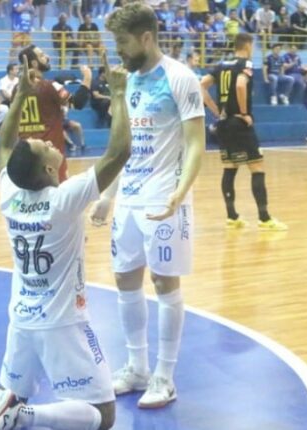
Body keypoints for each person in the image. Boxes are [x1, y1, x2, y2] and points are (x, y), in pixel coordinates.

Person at [0, 51, 130, 430]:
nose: (45, 141)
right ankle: (25, 418)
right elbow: (119, 153)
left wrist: (20, 95)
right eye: (43, 146)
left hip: (21, 317)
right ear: (51, 169)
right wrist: (118, 94)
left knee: (8, 392)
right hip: (63, 321)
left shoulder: (10, 193)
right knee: (103, 416)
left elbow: (5, 146)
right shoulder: (62, 200)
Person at [89, 2, 206, 409]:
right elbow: (124, 145)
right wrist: (107, 195)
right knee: (125, 280)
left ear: (146, 38)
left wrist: (181, 190)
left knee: (164, 282)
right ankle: (137, 367)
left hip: (164, 199)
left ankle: (164, 376)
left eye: (121, 42)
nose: (117, 50)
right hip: (129, 199)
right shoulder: (126, 82)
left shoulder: (180, 78)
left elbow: (195, 142)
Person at [201, 33, 288, 231]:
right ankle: (264, 218)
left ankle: (232, 217)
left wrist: (216, 111)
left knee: (230, 167)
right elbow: (241, 84)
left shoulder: (221, 65)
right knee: (257, 168)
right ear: (247, 45)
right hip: (239, 123)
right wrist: (243, 112)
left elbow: (201, 86)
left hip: (223, 124)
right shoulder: (245, 64)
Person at [16, 44, 92, 182]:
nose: (47, 57)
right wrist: (87, 78)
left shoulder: (17, 89)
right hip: (50, 156)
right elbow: (78, 103)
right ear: (34, 63)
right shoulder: (49, 86)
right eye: (42, 55)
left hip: (26, 157)